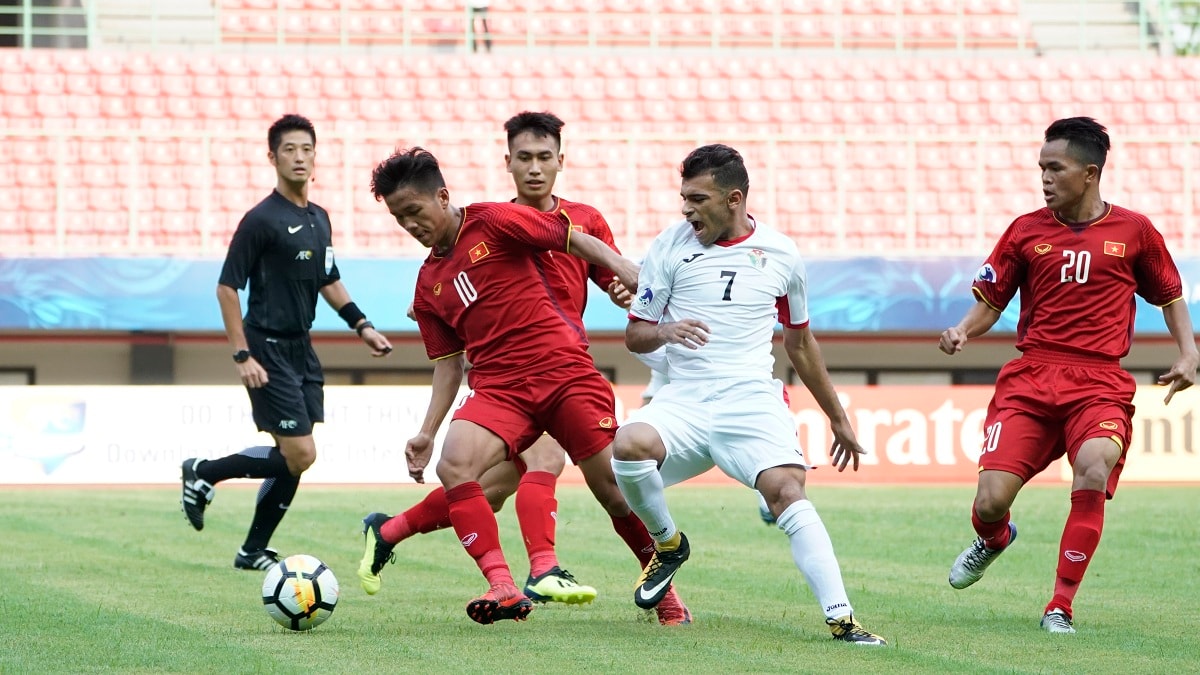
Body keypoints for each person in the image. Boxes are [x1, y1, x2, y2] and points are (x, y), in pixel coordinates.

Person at [357, 112, 692, 622]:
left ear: (443, 198)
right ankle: (505, 585)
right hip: (500, 388)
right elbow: (448, 366)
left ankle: (665, 596)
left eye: (415, 211)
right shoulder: (427, 288)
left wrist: (625, 270)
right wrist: (426, 432)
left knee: (613, 492)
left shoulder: (493, 218)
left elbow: (572, 237)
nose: (411, 225)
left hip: (563, 371)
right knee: (455, 465)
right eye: (400, 218)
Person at [610, 143, 887, 645]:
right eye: (683, 197)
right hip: (685, 399)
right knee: (626, 449)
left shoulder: (782, 254)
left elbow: (800, 343)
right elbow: (634, 334)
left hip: (751, 402)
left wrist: (838, 417)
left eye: (698, 198)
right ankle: (668, 545)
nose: (686, 209)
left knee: (786, 492)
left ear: (734, 199)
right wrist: (666, 332)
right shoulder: (668, 247)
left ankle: (843, 619)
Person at [939, 117, 1197, 634]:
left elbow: (1170, 295)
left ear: (1090, 173)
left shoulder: (1135, 231)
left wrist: (1189, 352)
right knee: (989, 502)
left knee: (1095, 469)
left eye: (1055, 168)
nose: (1044, 178)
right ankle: (994, 538)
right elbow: (992, 303)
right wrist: (964, 328)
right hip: (1032, 378)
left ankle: (1060, 606)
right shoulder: (1025, 230)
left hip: (1099, 381)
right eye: (1041, 168)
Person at [180, 114, 393, 570]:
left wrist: (363, 326)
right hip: (266, 345)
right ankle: (205, 471)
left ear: (316, 158)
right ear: (272, 157)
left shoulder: (320, 218)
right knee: (301, 453)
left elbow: (328, 278)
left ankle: (251, 549)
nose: (299, 157)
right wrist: (243, 354)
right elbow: (226, 287)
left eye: (307, 149)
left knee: (294, 457)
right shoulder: (260, 220)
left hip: (302, 347)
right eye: (290, 149)